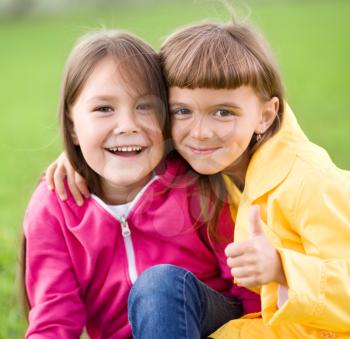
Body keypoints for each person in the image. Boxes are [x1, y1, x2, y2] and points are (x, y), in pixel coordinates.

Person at [49, 18, 350, 338]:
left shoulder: (309, 181)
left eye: (223, 112)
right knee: (161, 287)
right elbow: (139, 144)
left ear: (265, 115)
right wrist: (84, 153)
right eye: (182, 111)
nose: (200, 133)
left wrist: (282, 268)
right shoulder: (215, 162)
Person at [21, 29, 260, 339]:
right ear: (72, 124)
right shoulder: (54, 207)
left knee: (158, 286)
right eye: (103, 109)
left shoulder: (196, 181)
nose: (127, 126)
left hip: (220, 330)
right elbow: (53, 321)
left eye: (145, 106)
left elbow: (250, 286)